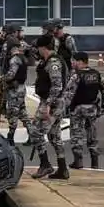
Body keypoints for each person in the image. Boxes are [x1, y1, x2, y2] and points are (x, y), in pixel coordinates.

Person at [30, 34, 69, 179]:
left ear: (43, 47)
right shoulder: (49, 61)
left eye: (38, 48)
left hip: (52, 103)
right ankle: (63, 169)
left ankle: (45, 164)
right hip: (54, 103)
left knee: (35, 131)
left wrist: (47, 104)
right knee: (54, 135)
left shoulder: (53, 62)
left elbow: (57, 86)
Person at [62, 52, 104, 169]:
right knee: (92, 134)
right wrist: (103, 106)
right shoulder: (96, 74)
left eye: (74, 61)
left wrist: (64, 108)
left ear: (81, 61)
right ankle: (95, 161)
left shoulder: (76, 75)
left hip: (78, 109)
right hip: (92, 108)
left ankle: (78, 161)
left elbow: (68, 93)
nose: (72, 63)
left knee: (76, 134)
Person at [0, 35, 32, 145]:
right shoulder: (22, 57)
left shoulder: (14, 59)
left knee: (13, 113)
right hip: (21, 88)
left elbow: (11, 74)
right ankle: (32, 134)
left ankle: (10, 137)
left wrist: (1, 79)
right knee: (23, 113)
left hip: (14, 90)